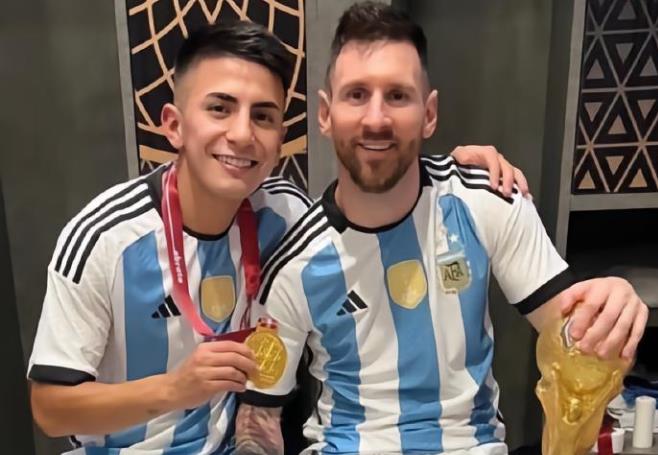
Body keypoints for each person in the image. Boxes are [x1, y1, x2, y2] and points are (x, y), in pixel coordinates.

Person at [27, 20, 525, 454]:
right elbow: (50, 408)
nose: (243, 134)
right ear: (174, 126)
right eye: (220, 109)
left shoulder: (286, 215)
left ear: (281, 135)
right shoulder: (106, 237)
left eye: (263, 116)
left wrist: (452, 172)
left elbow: (372, 202)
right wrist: (174, 389)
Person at [235, 3, 649, 454]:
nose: (376, 119)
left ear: (429, 113)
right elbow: (259, 421)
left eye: (398, 96)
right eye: (356, 95)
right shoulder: (294, 262)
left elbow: (573, 341)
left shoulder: (488, 200)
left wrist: (609, 312)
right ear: (325, 113)